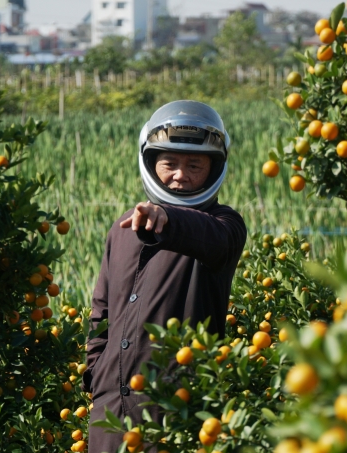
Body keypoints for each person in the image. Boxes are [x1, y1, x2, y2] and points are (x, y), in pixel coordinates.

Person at [82, 100, 247, 453]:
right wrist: (96, 374)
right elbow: (101, 312)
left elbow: (208, 238)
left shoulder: (225, 226)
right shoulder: (123, 228)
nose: (180, 175)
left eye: (194, 165)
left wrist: (167, 219)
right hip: (109, 415)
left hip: (177, 415)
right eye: (169, 163)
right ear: (151, 163)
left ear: (213, 168)